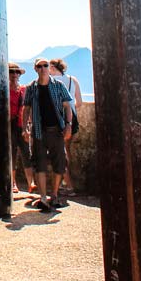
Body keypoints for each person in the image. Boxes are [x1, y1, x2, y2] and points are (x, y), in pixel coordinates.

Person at [22, 57, 73, 211]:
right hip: (39, 132)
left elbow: (67, 106)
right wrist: (25, 127)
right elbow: (26, 108)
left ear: (48, 68)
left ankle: (55, 194)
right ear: (36, 69)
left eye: (45, 65)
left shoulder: (58, 85)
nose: (43, 68)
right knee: (40, 164)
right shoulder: (32, 88)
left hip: (57, 131)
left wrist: (68, 125)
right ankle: (43, 198)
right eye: (40, 66)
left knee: (59, 163)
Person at [49, 58, 83, 195]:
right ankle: (65, 183)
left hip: (58, 119)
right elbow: (79, 102)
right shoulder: (72, 80)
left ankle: (68, 185)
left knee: (60, 152)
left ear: (52, 67)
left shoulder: (51, 81)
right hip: (72, 119)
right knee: (66, 150)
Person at [8, 62, 35, 194]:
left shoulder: (24, 90)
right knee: (12, 154)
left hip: (21, 125)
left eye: (16, 72)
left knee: (26, 153)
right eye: (11, 72)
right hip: (10, 126)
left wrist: (28, 126)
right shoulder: (5, 90)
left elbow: (28, 109)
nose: (14, 75)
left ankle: (31, 183)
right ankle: (13, 183)